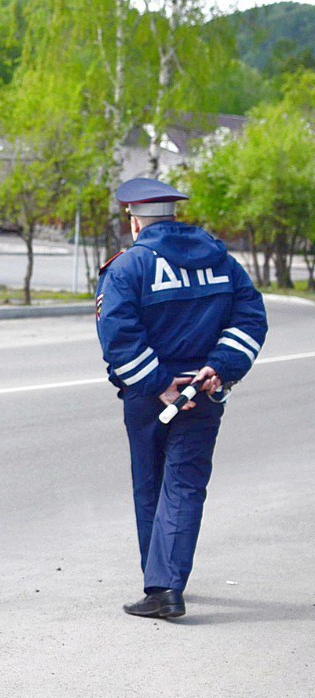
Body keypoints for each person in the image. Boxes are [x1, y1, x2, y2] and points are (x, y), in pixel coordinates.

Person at [95, 177, 267, 619]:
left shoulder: (128, 267)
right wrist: (219, 367)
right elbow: (250, 318)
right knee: (185, 486)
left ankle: (162, 589)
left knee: (150, 485)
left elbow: (118, 337)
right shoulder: (222, 260)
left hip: (151, 395)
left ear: (135, 221)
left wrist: (160, 385)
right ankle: (166, 581)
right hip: (205, 391)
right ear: (174, 216)